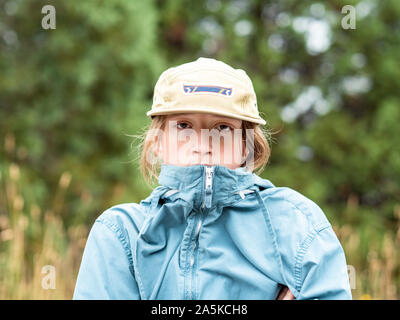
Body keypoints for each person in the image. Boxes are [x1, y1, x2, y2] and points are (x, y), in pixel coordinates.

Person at [73, 57, 352, 300]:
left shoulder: (295, 224)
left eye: (222, 127)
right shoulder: (120, 234)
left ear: (246, 145)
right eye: (183, 125)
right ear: (157, 141)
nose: (203, 143)